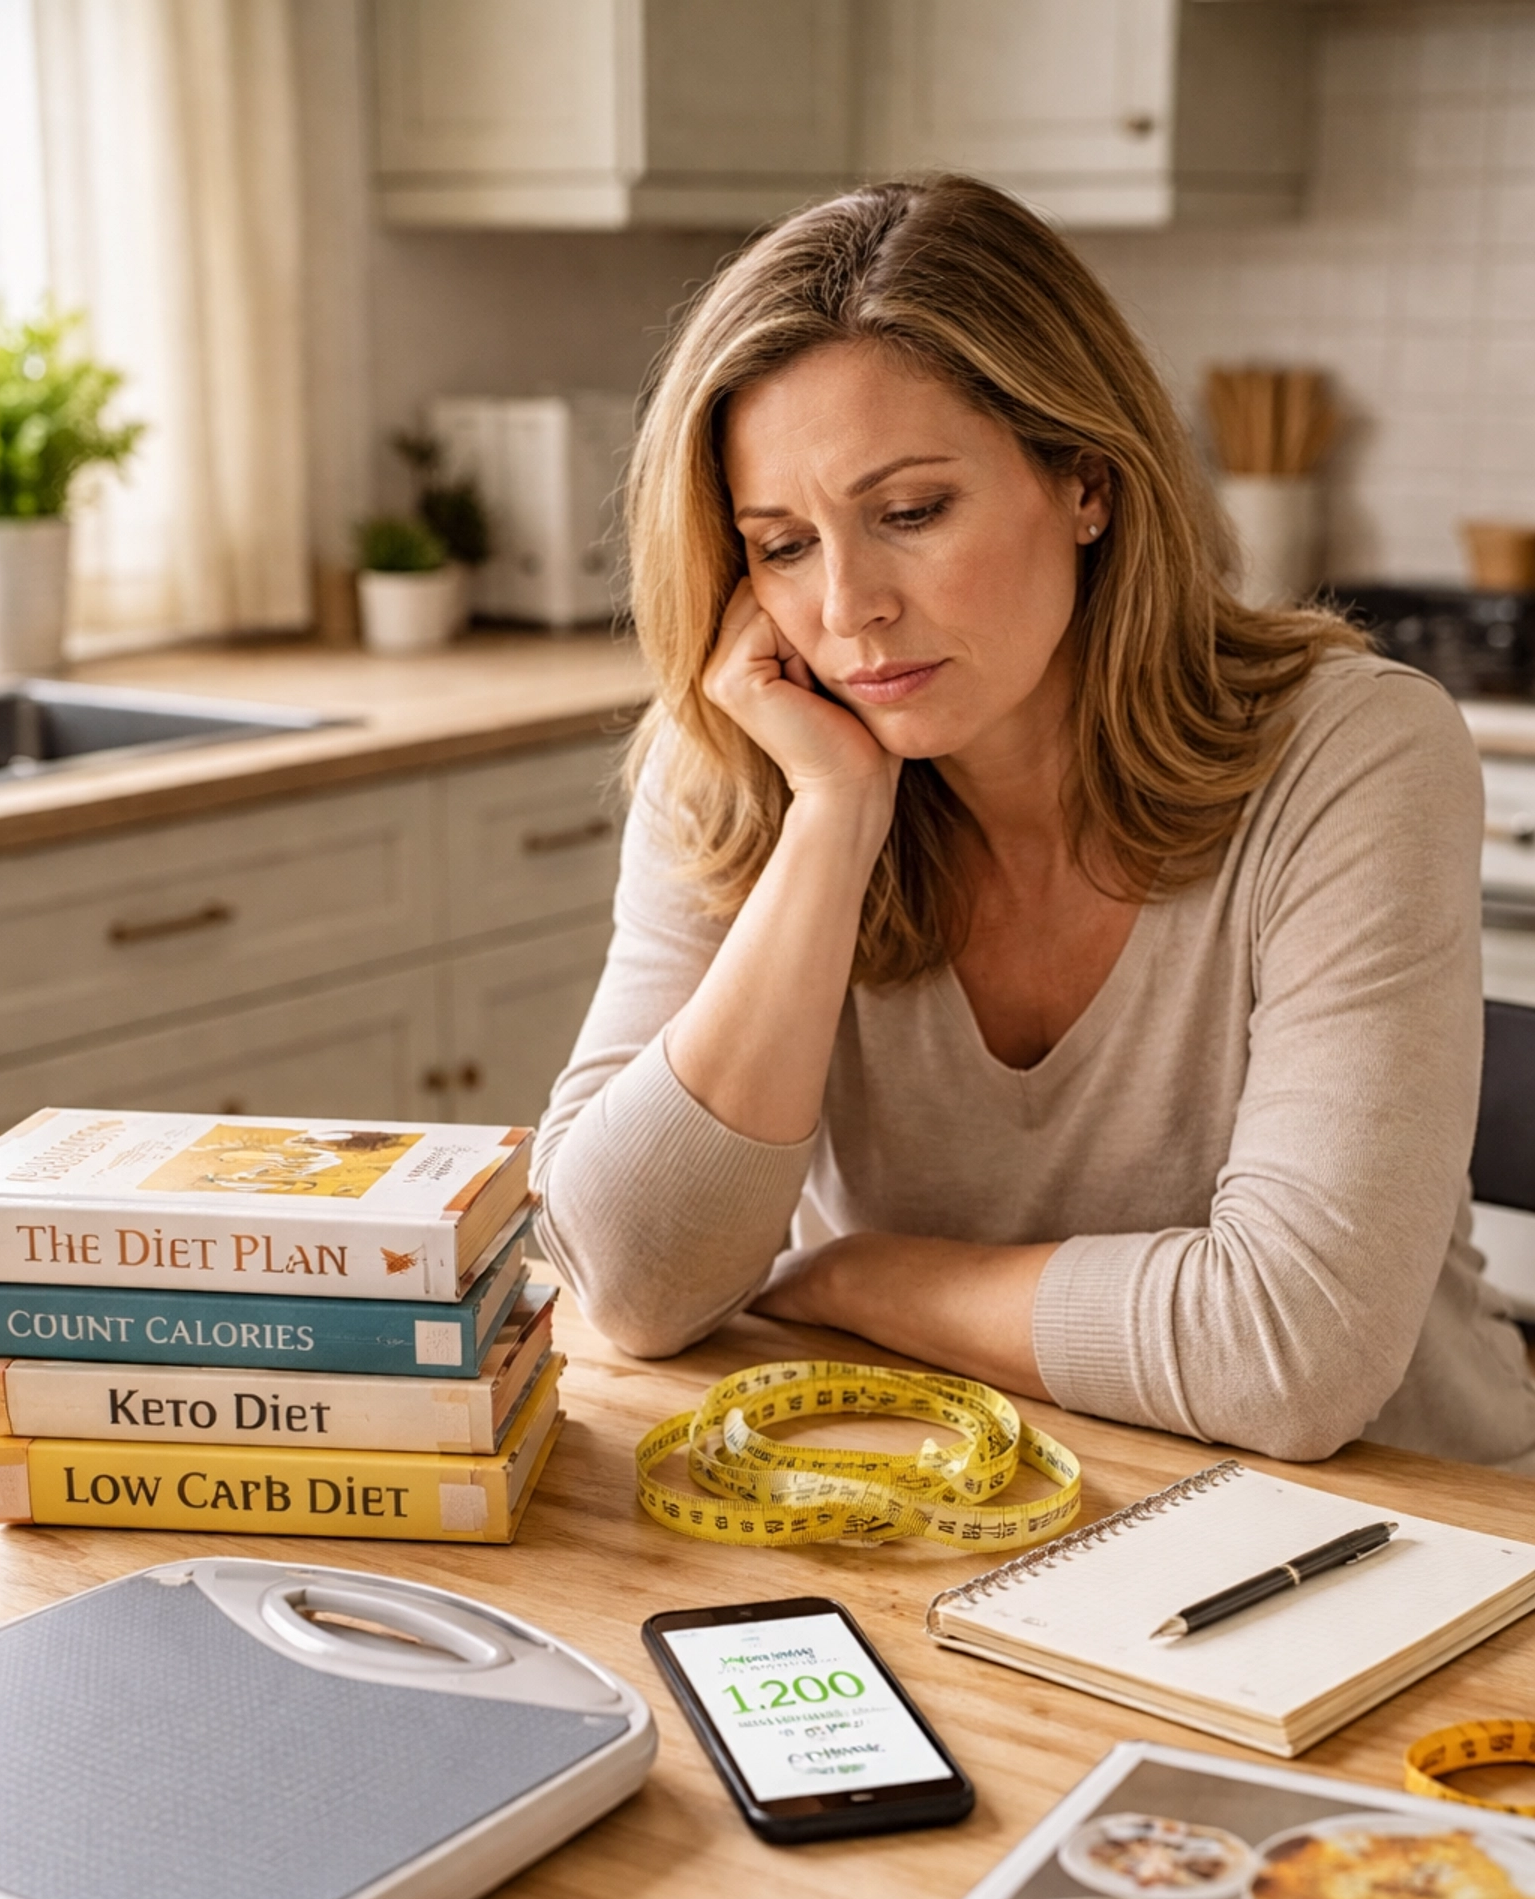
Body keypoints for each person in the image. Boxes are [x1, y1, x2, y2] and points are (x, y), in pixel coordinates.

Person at [533, 173, 1535, 1470]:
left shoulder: (1351, 752)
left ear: (1087, 485)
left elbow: (1292, 1358)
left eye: (909, 514)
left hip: (1400, 1532)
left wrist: (854, 1277)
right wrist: (834, 819)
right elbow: (622, 1281)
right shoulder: (745, 752)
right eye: (781, 545)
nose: (846, 610)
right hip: (945, 1485)